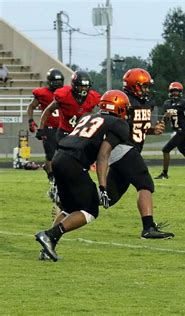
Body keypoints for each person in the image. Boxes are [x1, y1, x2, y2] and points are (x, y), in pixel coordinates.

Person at [34, 90, 131, 262]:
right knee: (90, 210)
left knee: (69, 209)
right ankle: (49, 235)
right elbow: (103, 156)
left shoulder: (89, 117)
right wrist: (102, 187)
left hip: (59, 158)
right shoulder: (118, 124)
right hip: (74, 163)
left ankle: (48, 248)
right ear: (119, 108)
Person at [107, 68, 174, 239]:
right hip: (122, 148)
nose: (146, 90)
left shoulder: (147, 103)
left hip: (131, 150)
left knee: (109, 197)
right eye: (143, 86)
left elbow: (138, 128)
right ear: (132, 86)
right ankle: (148, 227)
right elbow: (114, 126)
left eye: (147, 87)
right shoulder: (123, 100)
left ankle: (66, 202)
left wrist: (152, 130)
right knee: (145, 182)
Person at [38, 70, 101, 143]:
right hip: (65, 132)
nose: (84, 89)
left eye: (86, 86)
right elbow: (48, 110)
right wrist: (41, 128)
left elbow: (101, 112)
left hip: (82, 133)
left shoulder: (93, 97)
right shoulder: (64, 95)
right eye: (81, 86)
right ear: (74, 85)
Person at [26, 68, 64, 183]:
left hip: (63, 128)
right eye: (55, 81)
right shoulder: (43, 93)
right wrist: (31, 121)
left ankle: (52, 170)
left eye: (59, 81)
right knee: (50, 154)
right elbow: (31, 106)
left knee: (64, 153)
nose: (57, 84)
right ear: (49, 81)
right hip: (48, 128)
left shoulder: (65, 93)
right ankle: (51, 174)